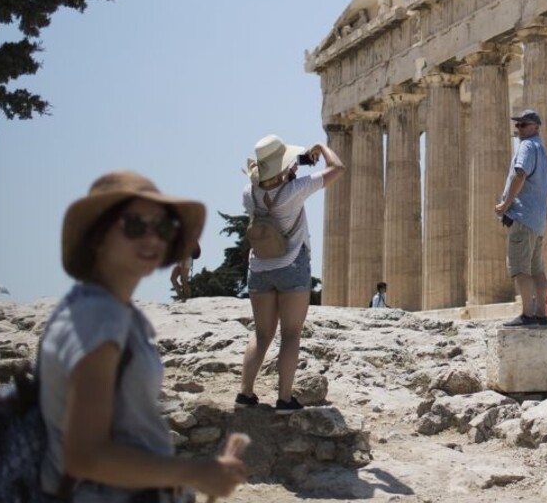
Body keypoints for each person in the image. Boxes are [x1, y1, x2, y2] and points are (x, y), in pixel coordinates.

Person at [39, 170, 246, 501]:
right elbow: (84, 456)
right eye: (134, 225)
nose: (152, 238)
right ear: (98, 235)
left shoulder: (118, 313)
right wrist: (193, 473)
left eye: (163, 227)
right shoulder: (97, 318)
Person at [238, 135, 345, 412]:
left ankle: (245, 393)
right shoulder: (295, 190)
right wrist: (321, 148)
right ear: (284, 167)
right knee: (291, 334)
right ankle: (285, 398)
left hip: (259, 267)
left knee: (261, 334)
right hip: (291, 267)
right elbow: (338, 168)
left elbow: (266, 186)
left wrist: (288, 169)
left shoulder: (249, 194)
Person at [495, 109, 547, 328]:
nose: (518, 128)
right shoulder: (543, 150)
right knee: (537, 270)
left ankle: (527, 315)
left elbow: (520, 174)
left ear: (535, 127)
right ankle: (541, 315)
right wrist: (545, 208)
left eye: (523, 124)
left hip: (522, 217)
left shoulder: (528, 146)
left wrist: (505, 203)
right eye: (517, 125)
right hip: (537, 222)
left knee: (520, 268)